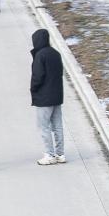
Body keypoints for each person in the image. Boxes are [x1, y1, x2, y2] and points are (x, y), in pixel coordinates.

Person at [29, 29, 66, 165]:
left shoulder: (40, 55)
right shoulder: (55, 53)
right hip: (57, 95)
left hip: (44, 97)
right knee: (57, 126)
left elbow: (37, 77)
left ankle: (49, 155)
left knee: (44, 127)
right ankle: (60, 154)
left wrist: (33, 89)